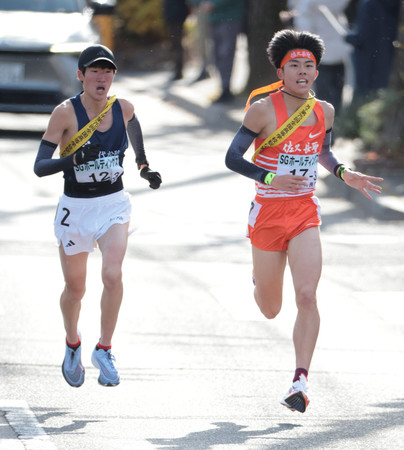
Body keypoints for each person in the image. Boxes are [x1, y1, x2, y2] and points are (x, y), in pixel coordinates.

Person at [225, 29, 383, 413]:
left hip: (303, 212)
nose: (302, 71)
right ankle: (259, 278)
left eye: (308, 65)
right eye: (294, 65)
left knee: (308, 294)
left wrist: (347, 173)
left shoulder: (323, 111)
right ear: (281, 70)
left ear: (316, 71)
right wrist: (269, 178)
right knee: (270, 308)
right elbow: (232, 158)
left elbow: (324, 153)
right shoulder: (262, 109)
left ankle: (299, 381)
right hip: (267, 212)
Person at [33, 44, 162, 388]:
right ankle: (73, 341)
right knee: (75, 289)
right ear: (81, 76)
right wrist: (70, 161)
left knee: (112, 274)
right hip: (76, 209)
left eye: (107, 71)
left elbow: (133, 129)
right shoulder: (65, 113)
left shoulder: (123, 108)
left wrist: (144, 166)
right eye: (94, 71)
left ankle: (104, 348)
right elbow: (40, 166)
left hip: (113, 204)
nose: (101, 77)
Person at [293, 0, 352, 116]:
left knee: (323, 95)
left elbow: (304, 28)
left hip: (320, 55)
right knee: (336, 94)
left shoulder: (307, 5)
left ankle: (324, 126)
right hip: (338, 50)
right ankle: (333, 124)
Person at [345, 0, 400, 103]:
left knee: (365, 95)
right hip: (386, 56)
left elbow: (363, 37)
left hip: (368, 60)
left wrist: (350, 37)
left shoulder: (369, 4)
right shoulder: (393, 5)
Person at [189, 0, 244, 103]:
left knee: (226, 53)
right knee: (216, 55)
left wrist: (214, 4)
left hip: (229, 16)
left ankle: (226, 89)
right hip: (214, 18)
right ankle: (223, 87)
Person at [163, 0, 189, 81]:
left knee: (177, 45)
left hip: (176, 17)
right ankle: (177, 70)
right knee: (175, 44)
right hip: (174, 16)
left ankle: (178, 71)